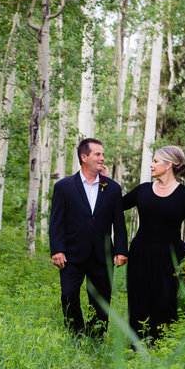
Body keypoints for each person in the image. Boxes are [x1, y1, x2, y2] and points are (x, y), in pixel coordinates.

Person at [122, 145, 185, 343]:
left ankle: (163, 347)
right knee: (139, 301)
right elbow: (116, 204)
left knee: (166, 303)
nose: (151, 164)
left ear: (169, 165)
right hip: (141, 255)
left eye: (156, 161)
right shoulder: (142, 190)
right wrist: (104, 181)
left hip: (171, 257)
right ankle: (138, 347)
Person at [49, 138, 128, 338]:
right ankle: (76, 335)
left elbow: (119, 223)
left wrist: (120, 250)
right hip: (71, 254)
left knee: (101, 300)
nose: (102, 158)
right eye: (98, 154)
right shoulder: (64, 186)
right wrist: (57, 249)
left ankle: (96, 339)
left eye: (102, 154)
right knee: (68, 295)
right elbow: (56, 221)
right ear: (84, 157)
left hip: (102, 255)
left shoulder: (112, 188)